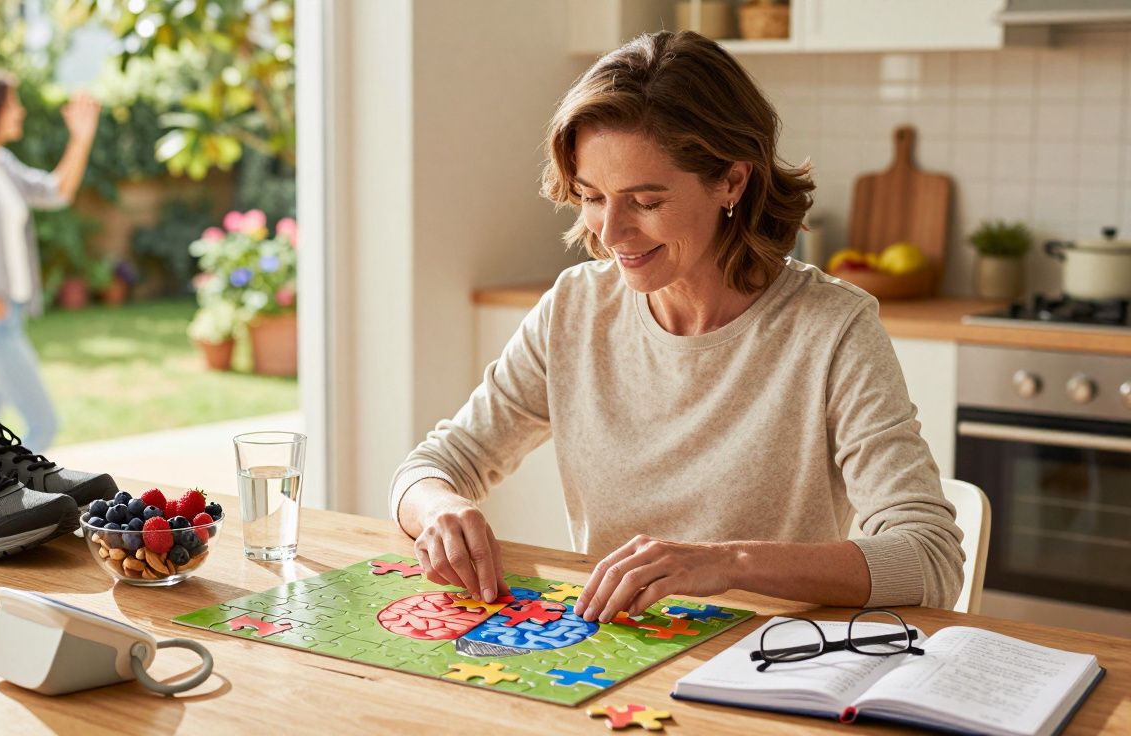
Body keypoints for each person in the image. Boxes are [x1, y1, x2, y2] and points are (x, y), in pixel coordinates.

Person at [390, 31, 965, 621]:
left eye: (646, 202)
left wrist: (728, 562)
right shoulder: (573, 310)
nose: (611, 234)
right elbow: (430, 468)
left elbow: (929, 560)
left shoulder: (833, 329)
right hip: (608, 659)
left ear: (732, 182)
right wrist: (439, 510)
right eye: (591, 196)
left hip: (767, 662)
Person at [0, 69, 100, 452]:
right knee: (43, 423)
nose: (20, 112)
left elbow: (56, 192)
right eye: (11, 104)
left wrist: (81, 140)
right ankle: (12, 503)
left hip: (5, 314)